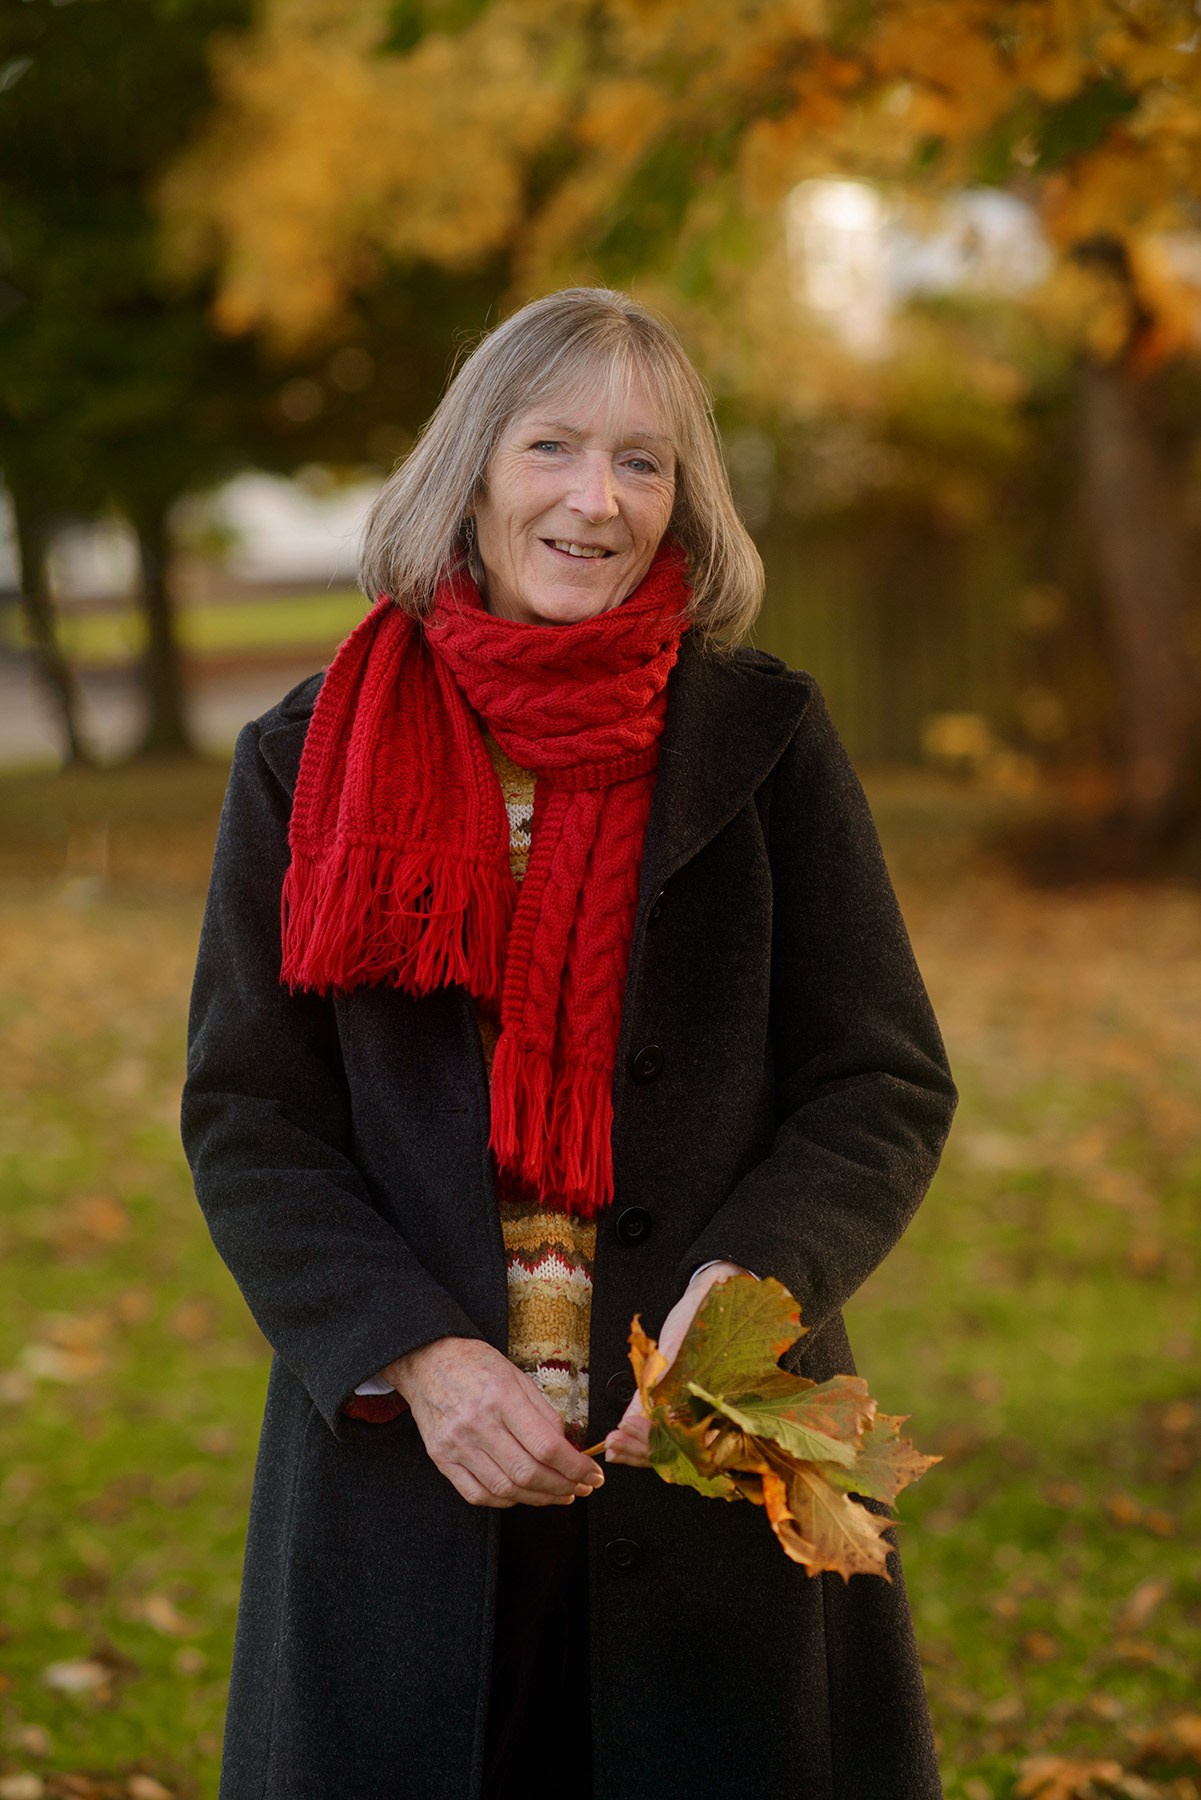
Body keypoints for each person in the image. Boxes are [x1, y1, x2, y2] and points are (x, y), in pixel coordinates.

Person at [182, 286, 958, 1800]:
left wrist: (760, 1280)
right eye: (551, 447)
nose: (594, 502)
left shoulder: (767, 745)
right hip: (412, 1470)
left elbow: (879, 1077)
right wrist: (411, 1352)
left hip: (706, 1463)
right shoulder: (303, 757)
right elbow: (250, 1118)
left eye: (643, 463)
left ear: (685, 502)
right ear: (472, 467)